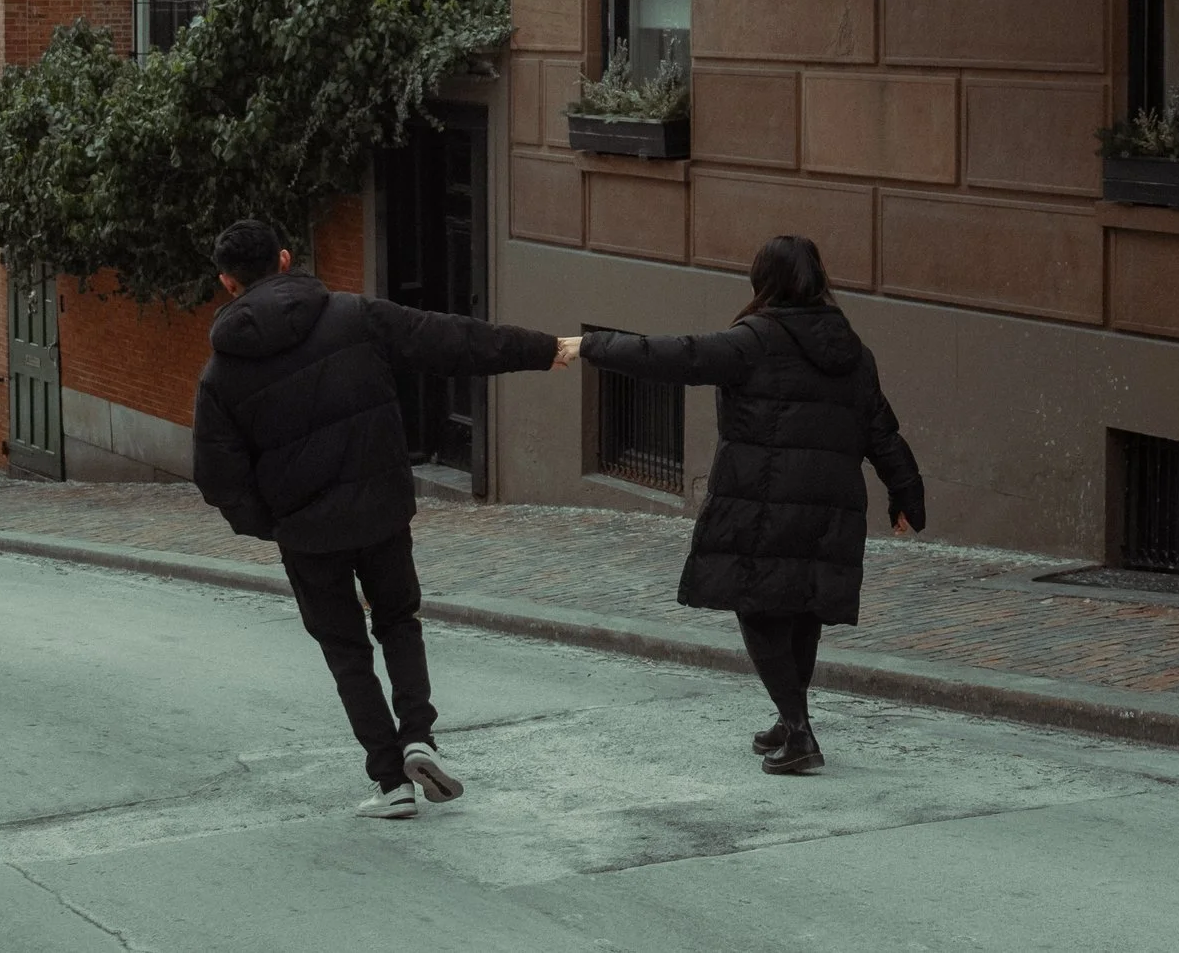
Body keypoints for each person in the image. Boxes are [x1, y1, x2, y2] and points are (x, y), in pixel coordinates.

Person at [192, 218, 572, 819]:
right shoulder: (353, 315)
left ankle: (391, 781)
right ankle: (418, 734)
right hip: (381, 511)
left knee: (346, 651)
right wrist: (544, 349)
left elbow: (218, 478)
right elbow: (449, 339)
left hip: (307, 535)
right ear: (285, 259)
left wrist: (274, 523)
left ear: (227, 283)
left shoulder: (221, 373)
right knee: (398, 621)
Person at [560, 234, 925, 775]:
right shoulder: (851, 350)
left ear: (764, 280)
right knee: (800, 608)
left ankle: (799, 732)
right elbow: (881, 430)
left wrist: (593, 346)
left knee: (756, 608)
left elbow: (678, 355)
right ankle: (790, 717)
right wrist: (906, 493)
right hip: (830, 504)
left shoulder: (755, 340)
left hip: (765, 498)